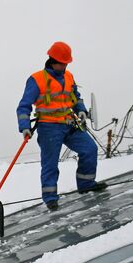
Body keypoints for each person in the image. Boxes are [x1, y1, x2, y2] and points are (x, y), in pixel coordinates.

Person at [17, 41, 107, 211]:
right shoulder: (37, 79)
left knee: (89, 149)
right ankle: (50, 198)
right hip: (49, 127)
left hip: (69, 123)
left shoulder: (69, 76)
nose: (64, 65)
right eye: (61, 62)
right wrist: (24, 126)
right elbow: (23, 106)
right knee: (50, 164)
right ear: (52, 60)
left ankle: (86, 184)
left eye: (66, 63)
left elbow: (75, 97)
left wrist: (80, 110)